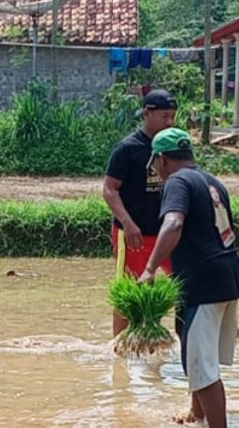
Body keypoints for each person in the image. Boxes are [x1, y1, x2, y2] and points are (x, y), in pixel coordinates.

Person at [138, 128, 239, 428]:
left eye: (155, 162)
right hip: (227, 274)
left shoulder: (177, 182)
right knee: (194, 348)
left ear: (162, 159)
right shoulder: (213, 182)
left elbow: (174, 223)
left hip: (203, 281)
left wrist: (149, 268)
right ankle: (196, 413)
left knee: (204, 365)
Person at [102, 89, 178, 336]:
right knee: (128, 292)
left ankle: (174, 340)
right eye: (164, 116)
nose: (169, 122)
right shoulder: (127, 149)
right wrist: (127, 222)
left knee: (181, 284)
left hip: (167, 231)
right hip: (133, 233)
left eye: (172, 117)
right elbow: (109, 189)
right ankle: (121, 346)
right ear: (147, 114)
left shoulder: (173, 147)